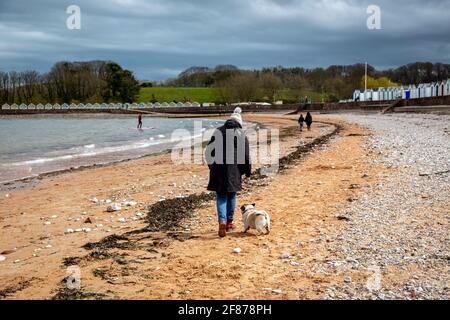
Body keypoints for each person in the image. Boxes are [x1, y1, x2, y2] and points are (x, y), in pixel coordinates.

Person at [205, 107, 251, 238]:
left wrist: (211, 166)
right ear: (239, 123)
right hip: (234, 169)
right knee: (231, 195)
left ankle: (222, 222)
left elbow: (208, 152)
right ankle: (229, 223)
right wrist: (247, 173)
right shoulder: (241, 134)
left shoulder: (218, 131)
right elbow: (246, 156)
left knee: (221, 196)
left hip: (218, 168)